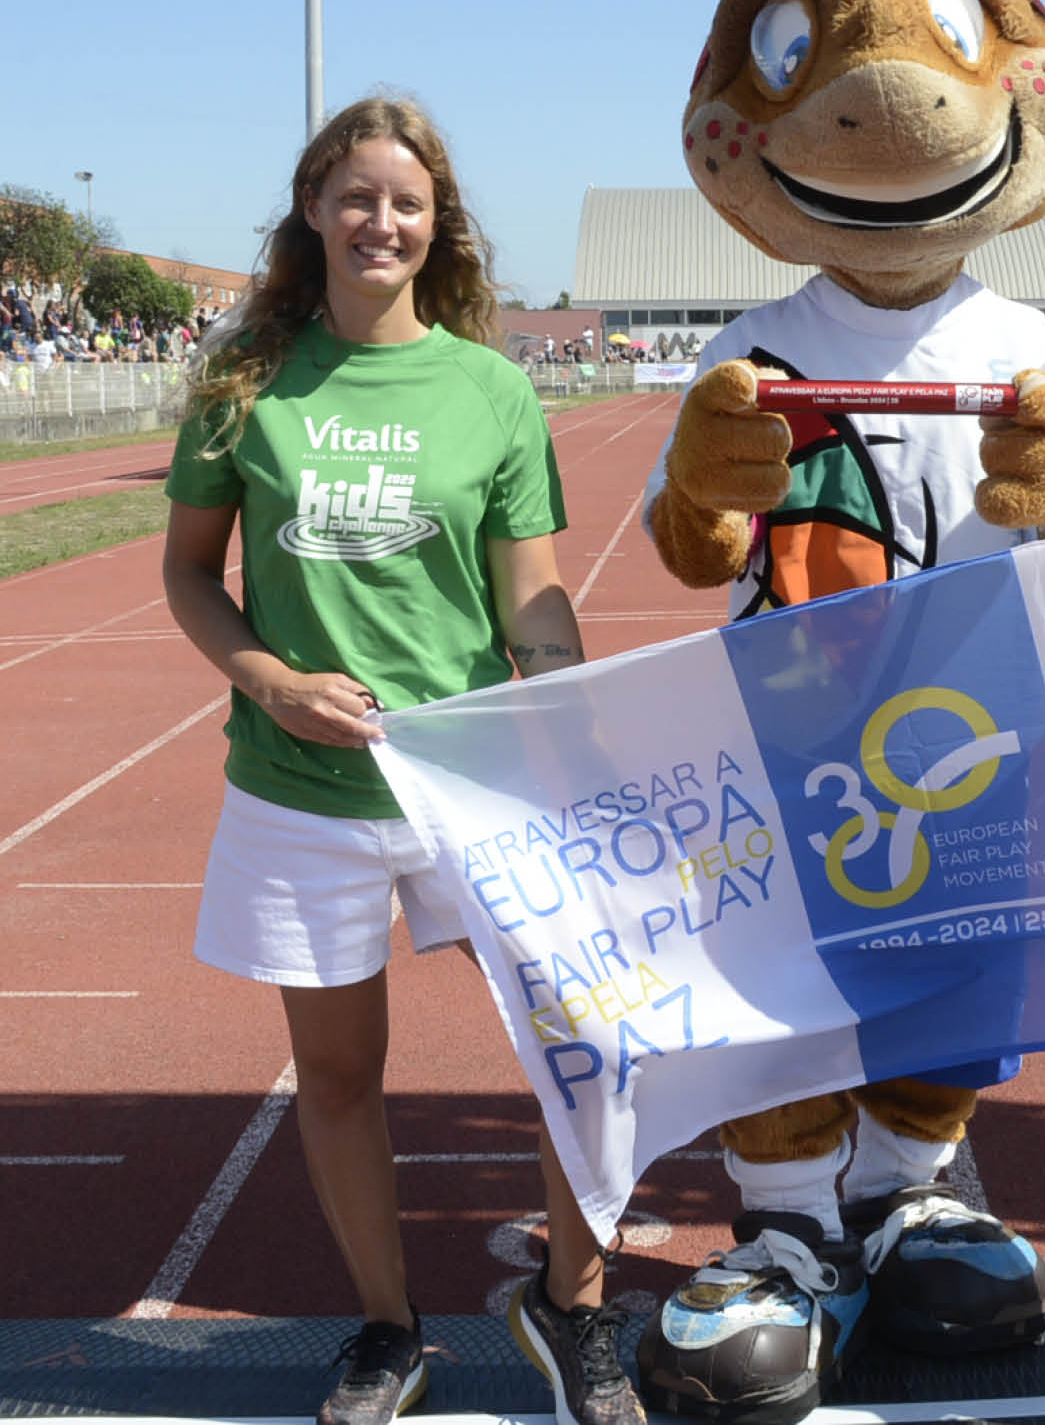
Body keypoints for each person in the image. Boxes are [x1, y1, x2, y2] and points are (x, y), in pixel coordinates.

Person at [160, 96, 640, 1425]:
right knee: (336, 1074)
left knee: (577, 1041)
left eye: (407, 202)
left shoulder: (488, 388)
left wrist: (567, 714)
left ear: (439, 227)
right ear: (312, 208)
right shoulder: (244, 381)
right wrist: (265, 676)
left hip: (470, 781)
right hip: (298, 789)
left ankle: (575, 1305)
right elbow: (190, 577)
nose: (383, 221)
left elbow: (532, 595)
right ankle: (387, 1328)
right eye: (358, 196)